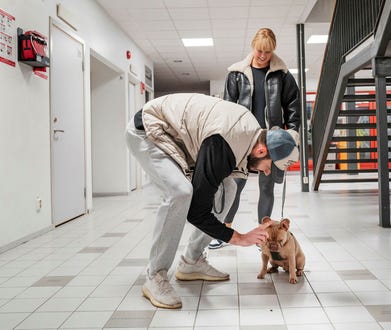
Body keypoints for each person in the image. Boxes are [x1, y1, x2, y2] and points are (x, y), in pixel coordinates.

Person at [125, 92, 299, 309]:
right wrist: (238, 237)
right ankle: (155, 275)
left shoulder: (250, 136)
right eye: (269, 167)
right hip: (149, 130)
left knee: (229, 188)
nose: (265, 173)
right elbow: (197, 212)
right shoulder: (224, 144)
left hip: (180, 136)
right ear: (262, 150)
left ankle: (191, 262)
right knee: (180, 192)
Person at [209, 27, 300, 249]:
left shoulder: (283, 75)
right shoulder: (237, 73)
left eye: (267, 52)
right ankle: (225, 231)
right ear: (253, 47)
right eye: (259, 50)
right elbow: (227, 109)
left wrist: (292, 135)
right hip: (243, 142)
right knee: (234, 186)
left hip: (271, 143)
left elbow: (294, 109)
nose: (262, 56)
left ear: (273, 50)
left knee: (267, 188)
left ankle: (263, 235)